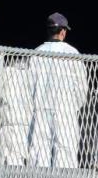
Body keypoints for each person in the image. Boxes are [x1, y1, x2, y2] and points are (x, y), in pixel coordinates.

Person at [28, 12, 88, 168]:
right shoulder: (72, 53)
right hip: (65, 109)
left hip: (40, 108)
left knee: (39, 149)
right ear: (63, 31)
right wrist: (74, 106)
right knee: (66, 150)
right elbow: (81, 86)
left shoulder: (36, 52)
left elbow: (28, 86)